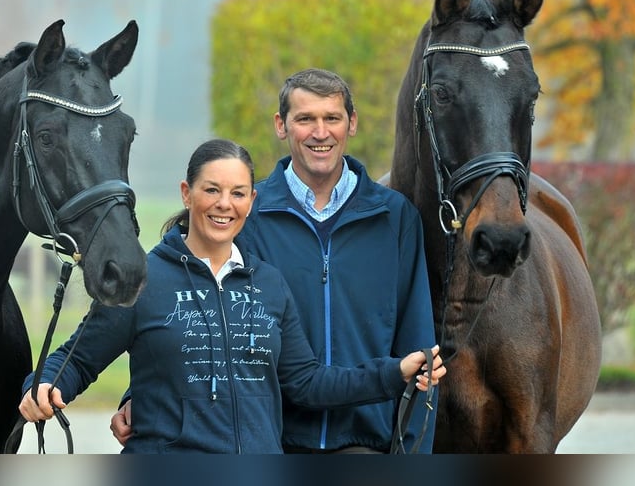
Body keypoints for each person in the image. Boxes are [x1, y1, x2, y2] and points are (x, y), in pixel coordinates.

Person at [19, 138, 445, 454]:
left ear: (251, 201)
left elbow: (309, 382)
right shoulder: (144, 281)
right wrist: (42, 386)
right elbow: (74, 360)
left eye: (238, 193)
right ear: (187, 194)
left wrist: (395, 372)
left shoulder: (270, 286)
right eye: (212, 190)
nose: (224, 204)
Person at [111, 69, 440, 454]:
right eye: (305, 119)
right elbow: (180, 293)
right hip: (267, 442)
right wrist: (140, 396)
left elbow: (420, 348)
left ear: (352, 123)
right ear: (281, 126)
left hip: (366, 444)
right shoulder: (246, 213)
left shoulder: (394, 219)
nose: (320, 133)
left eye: (332, 118)